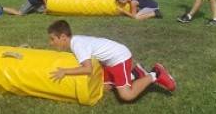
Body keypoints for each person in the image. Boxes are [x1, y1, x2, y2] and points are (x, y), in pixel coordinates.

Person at [47, 20, 176, 102]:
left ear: (63, 37)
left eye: (53, 39)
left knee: (126, 96)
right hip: (109, 61)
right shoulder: (75, 41)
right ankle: (135, 74)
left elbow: (87, 69)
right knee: (103, 88)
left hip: (120, 59)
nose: (51, 43)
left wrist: (64, 71)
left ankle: (155, 74)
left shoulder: (77, 45)